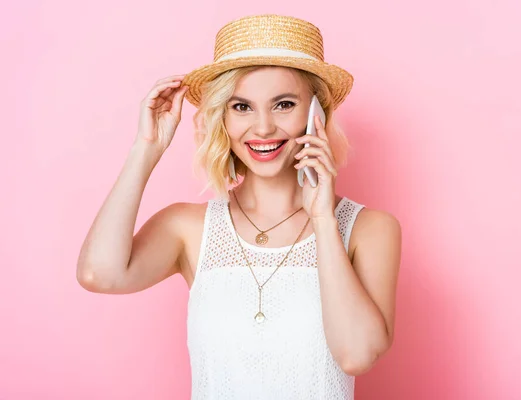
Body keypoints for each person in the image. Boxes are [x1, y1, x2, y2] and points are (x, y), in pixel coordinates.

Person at [77, 14, 402, 400]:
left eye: (283, 104)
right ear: (223, 118)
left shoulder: (370, 229)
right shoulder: (189, 228)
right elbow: (99, 274)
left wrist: (321, 217)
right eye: (242, 107)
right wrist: (145, 150)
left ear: (317, 114)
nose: (262, 128)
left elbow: (356, 355)